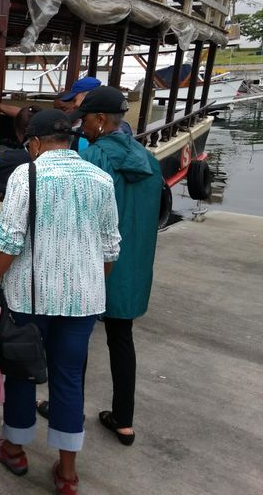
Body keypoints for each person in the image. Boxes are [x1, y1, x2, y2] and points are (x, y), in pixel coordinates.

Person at [0, 109, 121, 495]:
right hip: (84, 303)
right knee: (69, 378)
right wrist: (87, 288)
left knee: (22, 371)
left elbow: (7, 243)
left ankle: (15, 448)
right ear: (70, 140)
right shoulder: (101, 178)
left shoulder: (28, 174)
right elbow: (110, 248)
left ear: (35, 144)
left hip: (30, 300)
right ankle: (68, 474)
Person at [71, 86, 162, 446]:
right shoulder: (150, 161)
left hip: (96, 265)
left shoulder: (94, 158)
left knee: (76, 339)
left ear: (101, 120)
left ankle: (69, 409)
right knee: (121, 340)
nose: (82, 127)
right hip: (133, 269)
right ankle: (123, 420)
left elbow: (80, 217)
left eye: (86, 121)